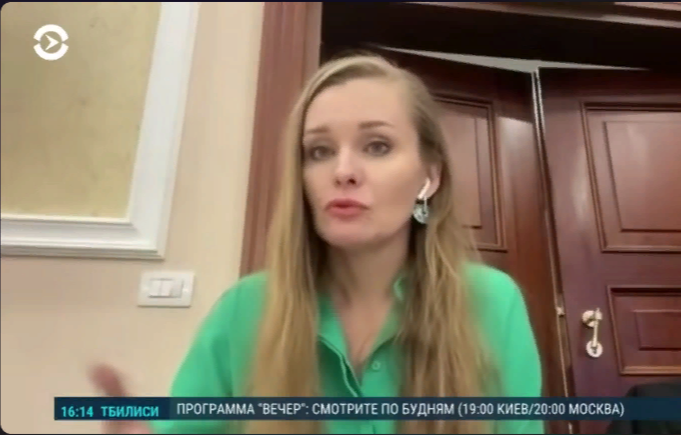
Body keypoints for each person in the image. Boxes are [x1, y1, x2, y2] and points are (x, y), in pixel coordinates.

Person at [90, 54, 543, 434]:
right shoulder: (243, 311)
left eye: (377, 146)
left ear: (430, 177)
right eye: (319, 151)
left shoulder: (492, 303)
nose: (342, 171)